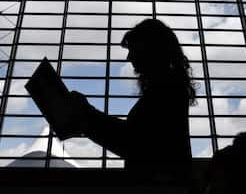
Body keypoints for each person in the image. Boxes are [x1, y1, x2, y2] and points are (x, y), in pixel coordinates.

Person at [67, 19, 195, 181]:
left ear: (149, 50)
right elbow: (135, 139)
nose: (129, 57)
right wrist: (87, 116)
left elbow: (132, 142)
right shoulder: (170, 89)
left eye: (133, 49)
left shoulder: (165, 90)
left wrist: (86, 114)